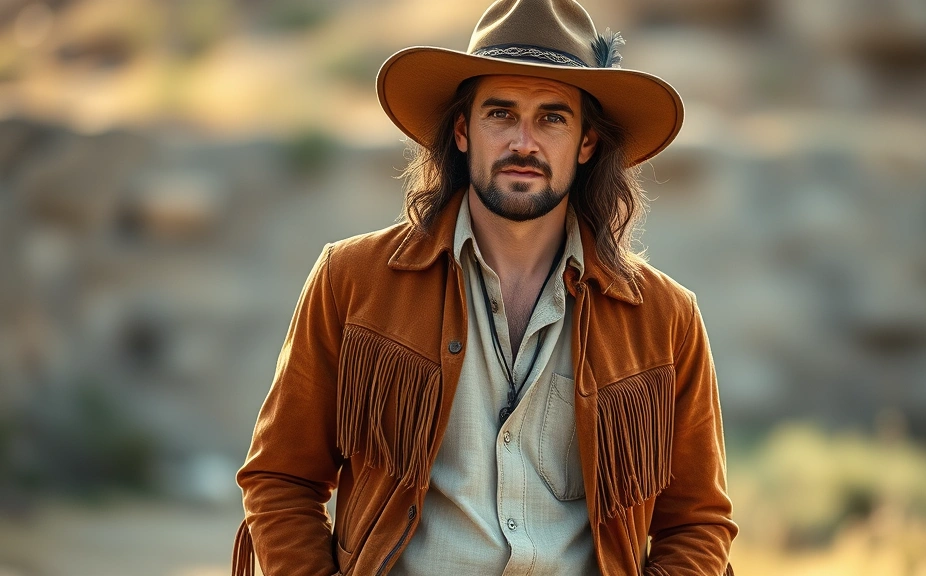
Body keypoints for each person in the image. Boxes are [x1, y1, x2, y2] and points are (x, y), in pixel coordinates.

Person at [232, 0, 737, 574]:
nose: (525, 142)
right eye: (501, 114)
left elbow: (697, 521)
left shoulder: (665, 317)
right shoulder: (353, 281)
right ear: (463, 130)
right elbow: (280, 478)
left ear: (587, 143)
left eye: (552, 117)